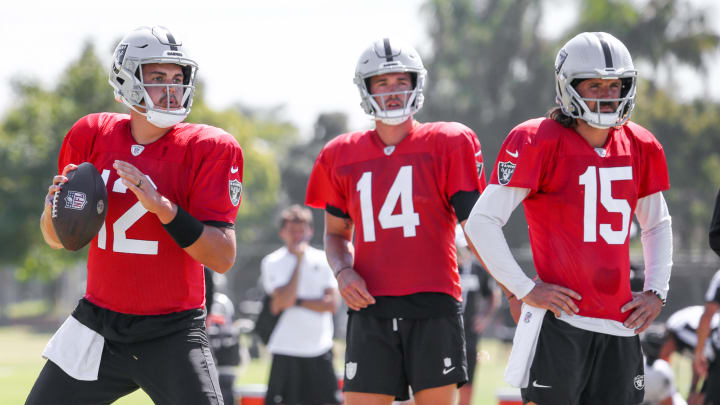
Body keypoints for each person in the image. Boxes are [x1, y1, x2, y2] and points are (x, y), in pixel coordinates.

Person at [27, 26, 243, 405]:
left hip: (171, 330)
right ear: (126, 80)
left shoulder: (208, 147)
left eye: (178, 78)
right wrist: (52, 210)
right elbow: (57, 239)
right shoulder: (92, 134)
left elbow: (222, 257)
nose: (171, 89)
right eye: (158, 78)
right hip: (98, 325)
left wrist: (164, 209)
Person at [465, 31, 673, 405]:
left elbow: (657, 223)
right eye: (595, 84)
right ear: (568, 86)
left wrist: (657, 291)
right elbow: (481, 222)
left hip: (621, 326)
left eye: (615, 85)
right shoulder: (538, 140)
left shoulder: (639, 143)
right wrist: (525, 289)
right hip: (560, 325)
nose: (608, 95)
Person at [305, 37, 487, 405]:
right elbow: (336, 235)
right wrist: (343, 271)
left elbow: (479, 229)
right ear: (366, 89)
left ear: (416, 83)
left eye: (400, 81)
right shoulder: (340, 154)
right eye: (382, 83)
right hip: (370, 305)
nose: (392, 91)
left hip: (433, 303)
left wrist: (514, 288)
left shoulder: (448, 141)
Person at [260, 204, 341, 405]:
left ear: (311, 231)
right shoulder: (272, 261)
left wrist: (296, 302)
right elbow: (280, 303)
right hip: (285, 351)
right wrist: (298, 262)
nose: (298, 236)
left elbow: (331, 305)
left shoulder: (324, 259)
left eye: (302, 230)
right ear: (282, 233)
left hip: (319, 349)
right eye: (292, 231)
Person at [455, 224, 501, 405]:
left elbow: (493, 295)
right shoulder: (442, 266)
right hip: (443, 331)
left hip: (469, 334)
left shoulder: (477, 268)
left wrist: (484, 318)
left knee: (468, 380)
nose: (463, 252)